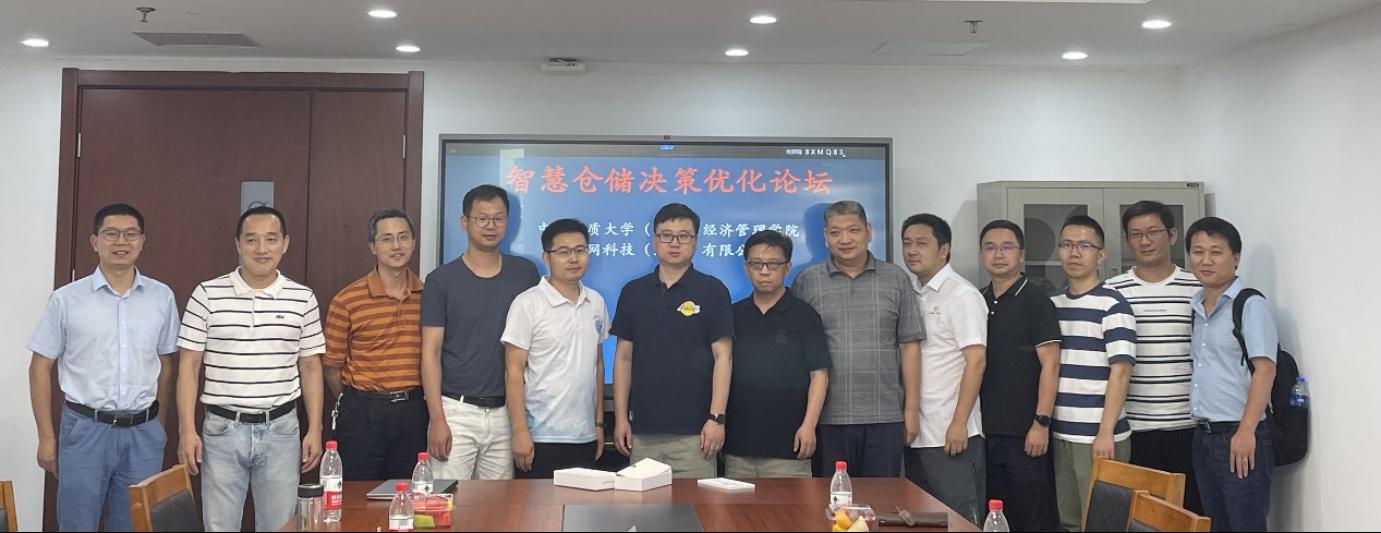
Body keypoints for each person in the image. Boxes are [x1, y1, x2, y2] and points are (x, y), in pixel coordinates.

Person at [27, 204, 180, 532]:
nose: (121, 242)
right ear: (95, 241)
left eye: (130, 234)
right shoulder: (66, 299)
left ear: (142, 241)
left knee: (134, 525)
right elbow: (40, 367)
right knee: (77, 524)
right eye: (111, 234)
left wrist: (159, 425)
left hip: (143, 432)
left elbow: (166, 366)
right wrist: (46, 437)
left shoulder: (161, 297)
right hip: (86, 430)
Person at [176, 206, 325, 532]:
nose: (261, 249)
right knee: (220, 526)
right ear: (237, 244)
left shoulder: (302, 298)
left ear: (285, 243)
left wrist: (314, 428)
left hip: (282, 430)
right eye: (252, 240)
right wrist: (186, 430)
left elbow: (311, 367)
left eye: (271, 239)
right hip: (222, 429)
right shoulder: (207, 294)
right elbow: (189, 365)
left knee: (280, 526)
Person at [791, 201, 924, 478]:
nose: (845, 239)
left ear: (868, 232)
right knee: (830, 499)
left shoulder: (896, 279)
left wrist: (911, 410)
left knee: (882, 499)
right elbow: (797, 352)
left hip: (884, 416)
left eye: (853, 230)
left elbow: (909, 346)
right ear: (825, 237)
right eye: (836, 232)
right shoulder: (807, 281)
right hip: (827, 418)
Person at [421, 185, 540, 481]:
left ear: (508, 222)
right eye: (482, 218)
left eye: (498, 218)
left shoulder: (525, 274)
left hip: (506, 413)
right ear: (465, 222)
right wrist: (437, 418)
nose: (491, 226)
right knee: (447, 500)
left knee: (497, 504)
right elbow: (430, 353)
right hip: (456, 411)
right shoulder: (441, 280)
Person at [611, 203, 734, 479]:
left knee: (696, 506)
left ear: (696, 241)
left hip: (696, 436)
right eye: (666, 235)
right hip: (642, 432)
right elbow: (623, 358)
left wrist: (717, 418)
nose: (675, 243)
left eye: (684, 236)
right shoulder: (633, 292)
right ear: (654, 240)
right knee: (643, 506)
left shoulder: (713, 290)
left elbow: (723, 358)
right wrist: (619, 419)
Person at [1106, 200, 1203, 513]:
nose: (1145, 241)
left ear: (1172, 235)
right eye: (1136, 234)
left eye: (1153, 232)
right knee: (1140, 517)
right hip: (1135, 428)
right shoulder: (1112, 291)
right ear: (1127, 240)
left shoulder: (1197, 287)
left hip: (1189, 425)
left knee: (1189, 515)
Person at [1185, 217, 1278, 532]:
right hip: (1203, 436)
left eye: (1216, 252)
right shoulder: (1197, 309)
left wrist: (1246, 431)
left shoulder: (1249, 305)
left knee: (1245, 525)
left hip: (1239, 436)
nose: (1206, 260)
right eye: (1198, 251)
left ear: (1236, 258)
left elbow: (1265, 368)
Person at [322, 208, 427, 480]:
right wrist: (359, 400)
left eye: (403, 237)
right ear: (372, 246)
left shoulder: (429, 296)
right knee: (357, 495)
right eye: (387, 239)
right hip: (362, 413)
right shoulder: (347, 300)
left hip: (413, 411)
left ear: (413, 242)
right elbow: (332, 366)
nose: (396, 246)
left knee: (410, 491)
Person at [1049, 215, 1137, 532]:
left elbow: (1121, 372)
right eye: (1067, 245)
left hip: (1099, 437)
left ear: (1101, 255)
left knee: (1104, 524)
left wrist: (1106, 431)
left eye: (1085, 245)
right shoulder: (1053, 304)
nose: (1074, 252)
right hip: (1062, 433)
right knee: (1070, 521)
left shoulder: (1113, 305)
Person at [501, 218, 608, 478]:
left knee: (581, 504)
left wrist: (598, 424)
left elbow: (597, 364)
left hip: (584, 435)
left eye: (580, 250)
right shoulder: (528, 304)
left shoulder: (596, 302)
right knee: (536, 506)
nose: (574, 258)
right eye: (563, 251)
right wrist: (520, 431)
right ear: (546, 257)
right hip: (540, 436)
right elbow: (513, 372)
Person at [899, 214, 988, 524]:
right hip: (916, 432)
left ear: (944, 250)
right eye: (907, 243)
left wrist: (959, 422)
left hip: (951, 432)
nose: (912, 250)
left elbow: (976, 361)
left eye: (922, 243)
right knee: (921, 520)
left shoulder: (962, 294)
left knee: (960, 519)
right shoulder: (910, 292)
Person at [722, 230, 830, 479]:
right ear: (746, 268)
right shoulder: (732, 315)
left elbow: (819, 375)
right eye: (756, 264)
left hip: (790, 446)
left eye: (773, 264)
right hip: (738, 447)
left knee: (791, 506)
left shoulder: (805, 316)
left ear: (787, 267)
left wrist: (809, 426)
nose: (764, 271)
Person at [976, 220, 1061, 532]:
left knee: (1033, 517)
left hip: (1026, 435)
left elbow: (1051, 364)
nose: (999, 254)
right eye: (990, 247)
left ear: (1021, 254)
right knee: (997, 517)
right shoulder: (977, 300)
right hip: (985, 433)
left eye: (1007, 247)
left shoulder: (1037, 301)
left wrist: (1041, 423)